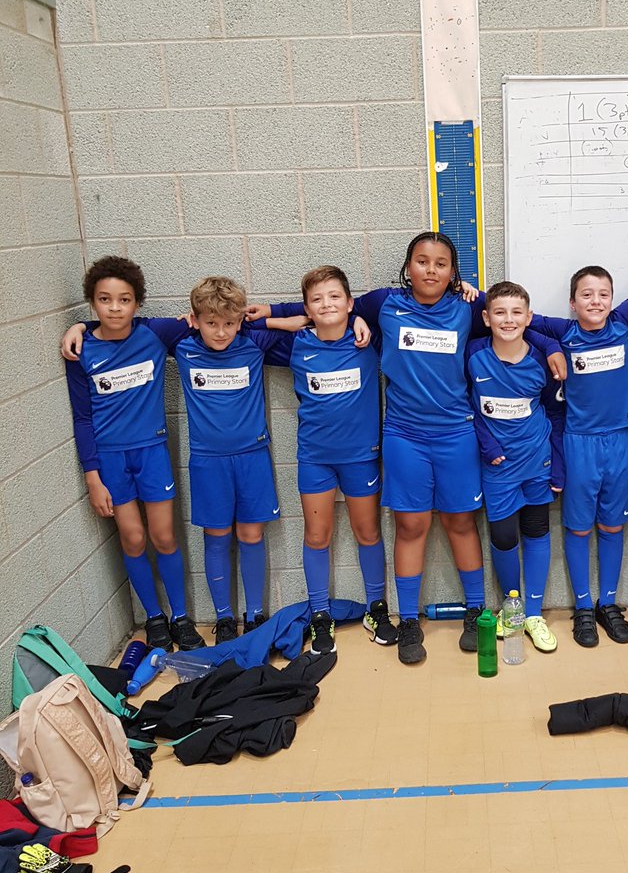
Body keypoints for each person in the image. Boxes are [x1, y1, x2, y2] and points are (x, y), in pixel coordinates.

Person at [247, 232, 564, 666]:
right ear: (408, 268)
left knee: (459, 522)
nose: (430, 270)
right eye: (421, 261)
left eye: (440, 263)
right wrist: (274, 312)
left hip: (456, 434)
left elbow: (517, 319)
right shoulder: (383, 305)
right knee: (411, 525)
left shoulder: (469, 308)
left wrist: (550, 346)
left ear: (453, 273)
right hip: (404, 437)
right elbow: (330, 310)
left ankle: (475, 612)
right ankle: (410, 619)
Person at [62, 275, 283, 646]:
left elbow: (311, 321)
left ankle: (254, 615)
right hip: (201, 462)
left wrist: (277, 314)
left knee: (247, 534)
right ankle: (216, 619)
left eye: (229, 323)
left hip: (250, 458)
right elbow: (118, 325)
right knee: (150, 537)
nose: (220, 331)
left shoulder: (252, 342)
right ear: (194, 320)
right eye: (210, 322)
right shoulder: (181, 344)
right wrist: (80, 326)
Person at [249, 266, 398, 655]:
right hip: (315, 458)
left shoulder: (370, 339)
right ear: (307, 309)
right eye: (316, 300)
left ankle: (376, 608)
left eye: (335, 297)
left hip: (362, 457)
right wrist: (284, 318)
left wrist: (361, 317)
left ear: (349, 303)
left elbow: (384, 299)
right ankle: (319, 615)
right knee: (317, 537)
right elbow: (238, 329)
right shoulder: (294, 343)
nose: (326, 304)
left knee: (368, 533)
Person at [62, 256, 204, 652]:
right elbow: (82, 418)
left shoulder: (154, 334)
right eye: (104, 300)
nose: (114, 308)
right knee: (133, 538)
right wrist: (92, 476)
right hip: (110, 460)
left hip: (153, 452)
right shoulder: (81, 350)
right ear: (93, 303)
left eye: (124, 300)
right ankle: (154, 619)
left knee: (163, 536)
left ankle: (180, 617)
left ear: (137, 304)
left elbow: (210, 318)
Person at [529, 268, 628, 648]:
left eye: (604, 294)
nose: (596, 302)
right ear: (573, 303)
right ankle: (581, 606)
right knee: (579, 526)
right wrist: (551, 347)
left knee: (612, 526)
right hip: (579, 442)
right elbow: (518, 323)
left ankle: (607, 603)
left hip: (619, 440)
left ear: (613, 299)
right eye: (587, 295)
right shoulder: (563, 330)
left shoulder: (624, 324)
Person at [467, 281, 563, 653]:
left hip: (537, 460)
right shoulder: (473, 354)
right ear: (487, 318)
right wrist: (487, 444)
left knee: (537, 530)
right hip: (497, 466)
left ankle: (534, 613)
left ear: (528, 317)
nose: (508, 320)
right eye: (500, 312)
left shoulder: (541, 359)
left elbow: (556, 414)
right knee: (504, 536)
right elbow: (467, 406)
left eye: (516, 312)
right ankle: (513, 609)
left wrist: (558, 466)